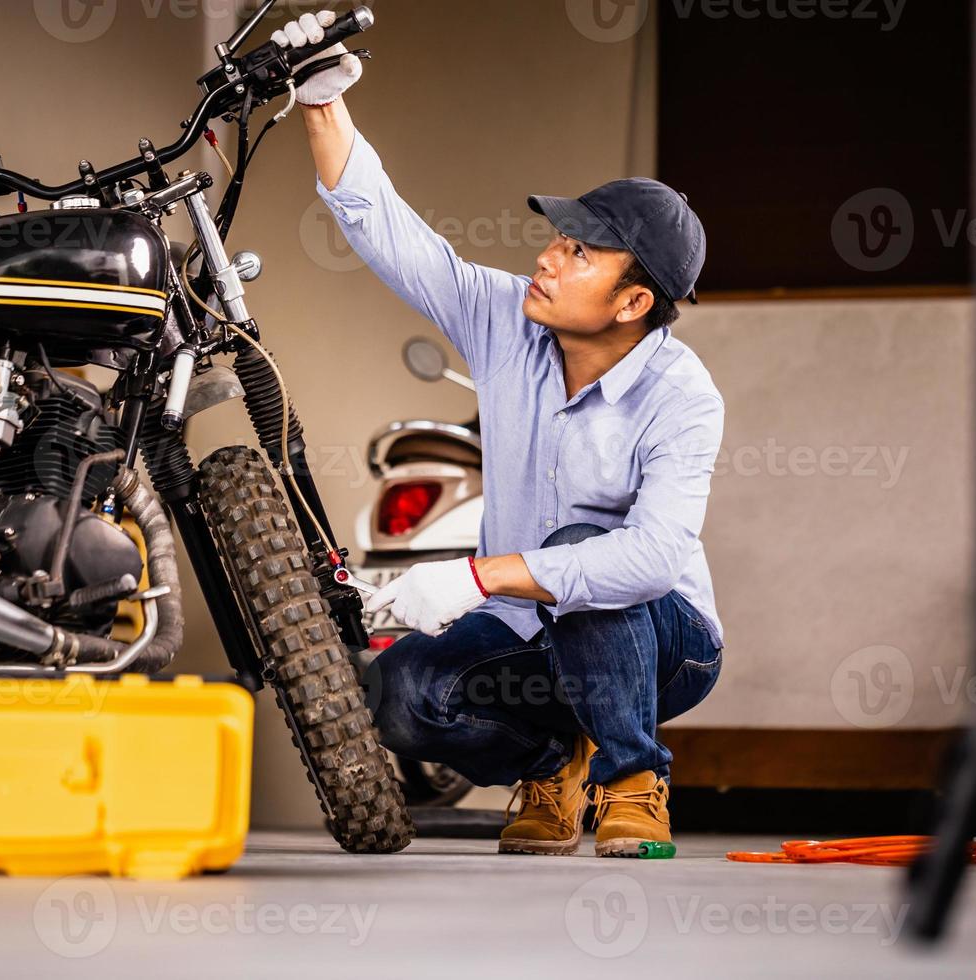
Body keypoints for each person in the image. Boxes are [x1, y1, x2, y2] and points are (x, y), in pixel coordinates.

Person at [279, 11, 725, 857]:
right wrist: (322, 104)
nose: (550, 259)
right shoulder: (504, 321)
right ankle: (555, 764)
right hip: (531, 633)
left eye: (582, 254)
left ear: (634, 304)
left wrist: (475, 575)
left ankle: (632, 777)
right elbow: (397, 240)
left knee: (585, 555)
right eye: (560, 238)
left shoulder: (682, 395)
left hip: (669, 645)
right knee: (402, 694)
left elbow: (652, 559)